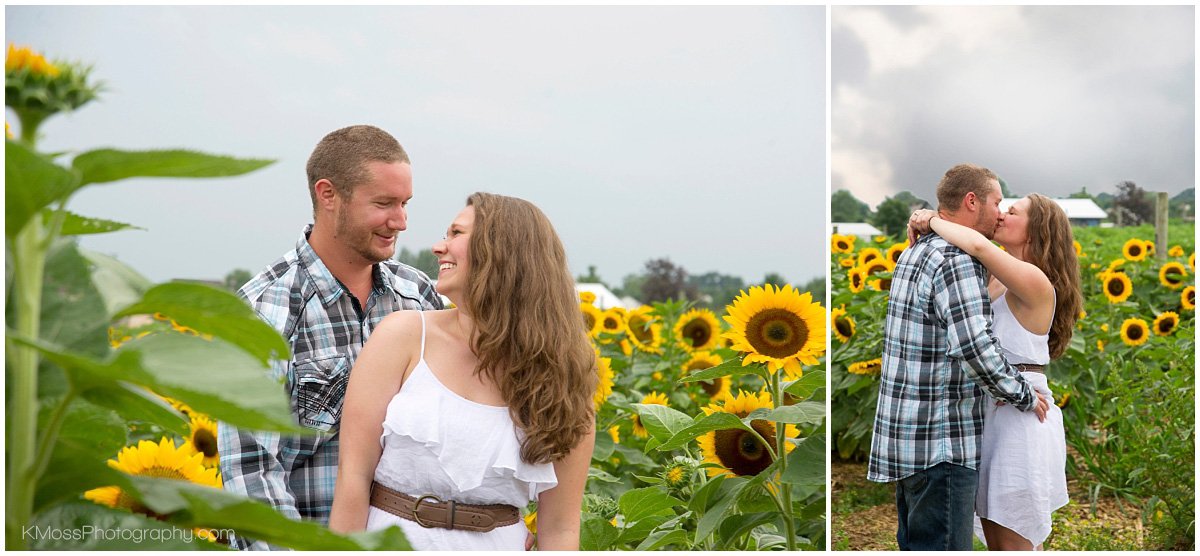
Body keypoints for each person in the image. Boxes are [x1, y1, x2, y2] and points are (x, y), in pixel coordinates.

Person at [328, 192, 597, 550]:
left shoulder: (563, 377)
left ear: (502, 251)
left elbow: (561, 529)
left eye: (456, 234)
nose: (439, 247)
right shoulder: (403, 337)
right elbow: (353, 480)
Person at [217, 125, 443, 550]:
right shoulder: (265, 312)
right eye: (384, 204)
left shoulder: (419, 297)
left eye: (405, 203)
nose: (401, 221)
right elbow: (252, 473)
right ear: (328, 195)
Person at [867, 163, 1049, 551]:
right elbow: (973, 347)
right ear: (972, 201)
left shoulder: (915, 253)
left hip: (909, 438)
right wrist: (1023, 394)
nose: (1001, 212)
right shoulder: (956, 259)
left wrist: (927, 219)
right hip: (942, 440)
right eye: (998, 202)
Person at [907, 192, 1081, 550]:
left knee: (1012, 542)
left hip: (1020, 415)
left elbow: (979, 246)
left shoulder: (1034, 280)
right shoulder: (1000, 277)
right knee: (997, 540)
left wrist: (933, 219)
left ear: (1036, 230)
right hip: (996, 409)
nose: (1001, 215)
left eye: (1012, 211)